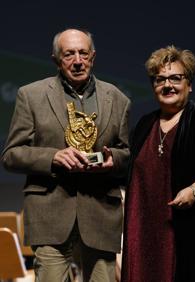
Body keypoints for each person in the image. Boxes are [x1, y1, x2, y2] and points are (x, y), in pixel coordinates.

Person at [1, 28, 131, 282]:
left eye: (83, 53)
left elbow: (126, 154)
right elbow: (11, 155)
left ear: (93, 57)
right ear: (56, 59)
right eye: (69, 54)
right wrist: (53, 157)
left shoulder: (117, 98)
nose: (77, 60)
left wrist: (112, 159)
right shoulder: (31, 95)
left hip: (100, 212)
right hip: (50, 212)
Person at [121, 45, 195, 282]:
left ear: (190, 84)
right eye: (159, 80)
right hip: (143, 232)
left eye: (176, 78)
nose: (168, 85)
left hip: (189, 233)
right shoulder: (144, 125)